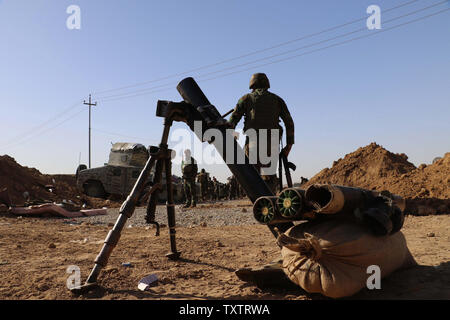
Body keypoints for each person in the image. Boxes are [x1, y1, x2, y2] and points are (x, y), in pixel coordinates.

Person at [228, 73, 295, 193]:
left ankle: (258, 201)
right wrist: (289, 145)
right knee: (269, 174)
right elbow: (289, 122)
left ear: (252, 84)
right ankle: (270, 200)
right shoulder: (277, 100)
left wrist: (232, 138)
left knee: (252, 173)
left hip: (253, 142)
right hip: (272, 143)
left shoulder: (246, 98)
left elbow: (232, 121)